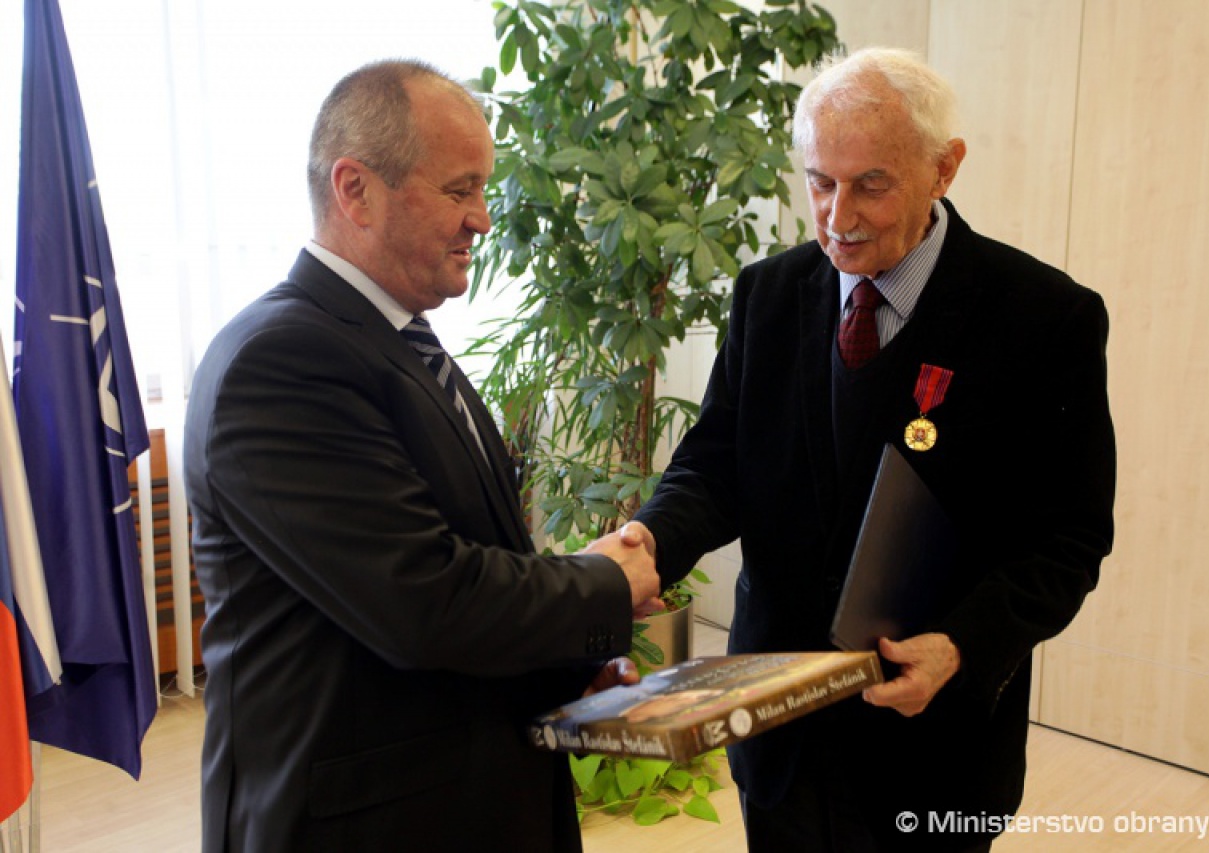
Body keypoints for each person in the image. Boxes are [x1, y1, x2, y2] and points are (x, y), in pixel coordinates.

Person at [628, 47, 1116, 851]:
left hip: (932, 749)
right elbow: (715, 465)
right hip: (777, 735)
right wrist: (651, 542)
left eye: (871, 185)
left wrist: (963, 645)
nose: (837, 216)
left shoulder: (1043, 319)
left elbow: (1069, 538)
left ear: (943, 169)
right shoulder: (768, 294)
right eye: (820, 182)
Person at [184, 60, 660, 853]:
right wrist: (603, 583)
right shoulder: (280, 361)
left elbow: (470, 559)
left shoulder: (398, 339)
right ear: (355, 190)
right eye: (459, 189)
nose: (482, 218)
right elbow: (421, 601)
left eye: (484, 189)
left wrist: (563, 665)